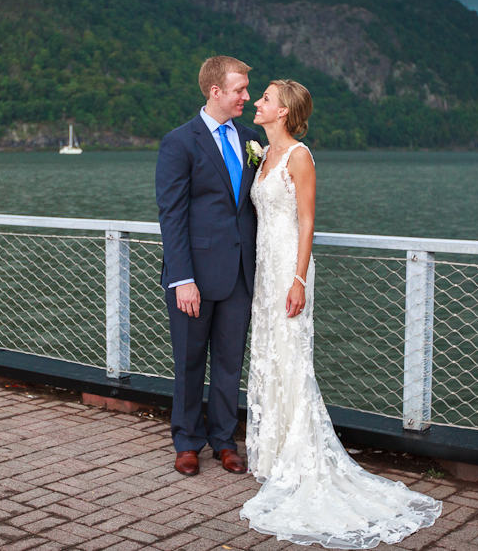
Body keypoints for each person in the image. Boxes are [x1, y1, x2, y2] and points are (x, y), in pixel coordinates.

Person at [240, 79, 442, 547]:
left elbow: (307, 220)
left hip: (289, 267)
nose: (258, 103)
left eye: (266, 98)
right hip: (265, 269)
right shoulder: (264, 155)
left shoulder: (299, 156)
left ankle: (301, 458)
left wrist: (298, 279)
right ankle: (272, 456)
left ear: (284, 111)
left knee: (292, 359)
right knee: (270, 354)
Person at [155, 56, 260, 476]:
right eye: (240, 89)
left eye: (247, 89)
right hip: (193, 275)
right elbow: (172, 215)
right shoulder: (179, 142)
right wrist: (183, 279)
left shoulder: (251, 138)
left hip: (240, 273)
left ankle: (223, 440)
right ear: (215, 91)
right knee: (189, 359)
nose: (246, 97)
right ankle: (186, 440)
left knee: (230, 361)